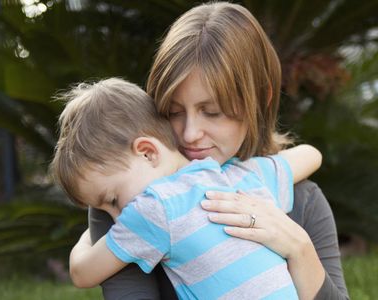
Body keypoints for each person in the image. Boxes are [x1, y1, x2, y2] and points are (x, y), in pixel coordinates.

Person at [88, 2, 349, 300]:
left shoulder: (303, 200)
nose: (189, 134)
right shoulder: (127, 197)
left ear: (259, 100)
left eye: (212, 112)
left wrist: (299, 249)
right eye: (173, 111)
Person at [51, 77, 322, 299]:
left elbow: (81, 273)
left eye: (112, 200)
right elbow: (311, 155)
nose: (116, 218)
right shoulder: (240, 175)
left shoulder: (151, 209)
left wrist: (88, 238)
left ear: (147, 152)